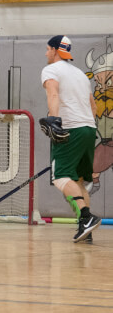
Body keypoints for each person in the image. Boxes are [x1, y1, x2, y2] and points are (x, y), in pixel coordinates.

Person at [40, 35, 101, 243]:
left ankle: (86, 217)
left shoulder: (51, 70)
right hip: (88, 129)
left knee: (62, 178)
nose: (46, 53)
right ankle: (87, 230)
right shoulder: (81, 75)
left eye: (48, 49)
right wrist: (86, 127)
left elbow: (53, 95)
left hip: (70, 129)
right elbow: (93, 107)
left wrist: (54, 120)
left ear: (56, 50)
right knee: (78, 181)